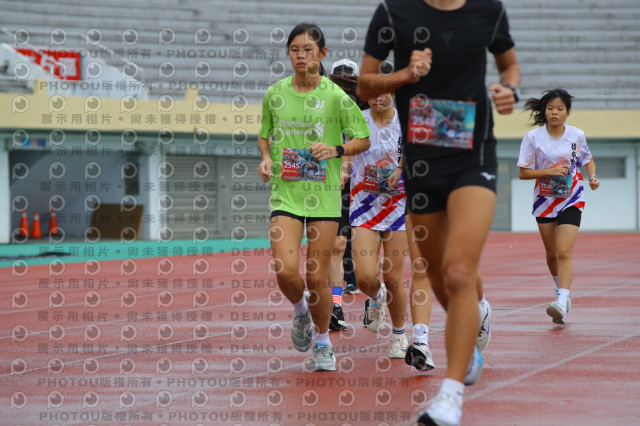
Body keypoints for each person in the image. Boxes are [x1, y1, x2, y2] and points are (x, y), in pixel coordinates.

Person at [357, 0, 520, 424]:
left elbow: (509, 66)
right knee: (436, 272)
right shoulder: (393, 12)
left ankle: (450, 396)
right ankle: (475, 317)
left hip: (473, 156)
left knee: (459, 270)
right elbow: (365, 85)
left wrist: (510, 90)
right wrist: (405, 75)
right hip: (422, 162)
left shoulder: (488, 10)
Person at [257, 22, 371, 371]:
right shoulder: (275, 94)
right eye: (295, 50)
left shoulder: (336, 97)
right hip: (286, 194)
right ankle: (301, 311)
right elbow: (264, 135)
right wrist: (265, 158)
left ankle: (323, 343)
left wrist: (337, 149)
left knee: (316, 276)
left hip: (323, 196)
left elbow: (363, 139)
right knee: (284, 269)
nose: (301, 56)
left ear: (322, 54)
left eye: (308, 50)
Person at [517, 88, 599, 325]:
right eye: (550, 108)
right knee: (552, 253)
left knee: (564, 251)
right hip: (544, 200)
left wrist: (593, 177)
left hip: (572, 197)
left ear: (567, 112)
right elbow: (523, 173)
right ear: (545, 111)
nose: (554, 112)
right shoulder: (533, 137)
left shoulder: (576, 135)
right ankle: (558, 289)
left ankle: (562, 301)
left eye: (560, 109)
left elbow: (587, 159)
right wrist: (549, 171)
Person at [348, 76, 411, 359]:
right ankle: (376, 297)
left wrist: (401, 169)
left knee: (394, 276)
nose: (379, 98)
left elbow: (420, 156)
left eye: (384, 92)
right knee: (364, 277)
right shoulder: (357, 120)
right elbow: (346, 153)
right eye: (372, 93)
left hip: (398, 207)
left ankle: (399, 336)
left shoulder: (406, 122)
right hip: (364, 206)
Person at [327, 59, 369, 331]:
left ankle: (374, 299)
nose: (343, 88)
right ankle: (336, 306)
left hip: (369, 189)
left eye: (348, 82)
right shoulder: (325, 105)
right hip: (337, 186)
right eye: (338, 81)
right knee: (337, 246)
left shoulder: (370, 108)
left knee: (369, 252)